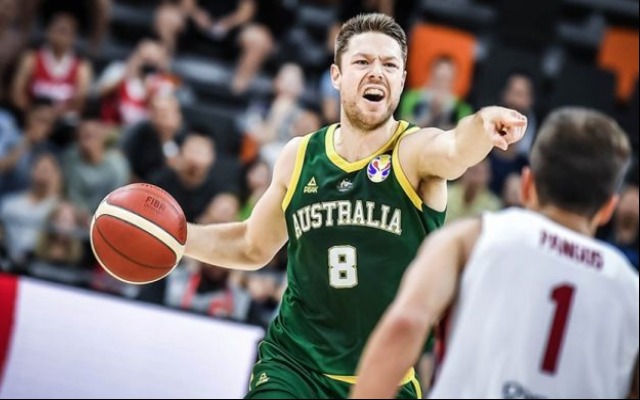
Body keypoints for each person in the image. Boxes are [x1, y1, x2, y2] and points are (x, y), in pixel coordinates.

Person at [184, 13, 526, 398]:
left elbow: (455, 148)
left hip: (385, 378)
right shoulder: (300, 156)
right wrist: (177, 238)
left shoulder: (413, 152)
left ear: (402, 81)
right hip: (293, 367)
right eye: (363, 62)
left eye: (389, 65)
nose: (376, 72)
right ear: (337, 75)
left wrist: (483, 124)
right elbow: (251, 245)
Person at [350, 107, 639, 399]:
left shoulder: (471, 238)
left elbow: (406, 323)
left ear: (527, 185)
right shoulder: (630, 287)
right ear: (608, 209)